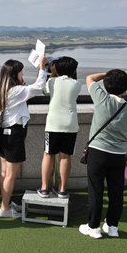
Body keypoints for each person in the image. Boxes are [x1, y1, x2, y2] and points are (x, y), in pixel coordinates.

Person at [79, 69, 127, 239]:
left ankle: (94, 227)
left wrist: (107, 74)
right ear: (126, 88)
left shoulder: (101, 99)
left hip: (98, 152)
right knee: (116, 191)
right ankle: (112, 226)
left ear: (107, 85)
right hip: (118, 154)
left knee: (96, 190)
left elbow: (89, 78)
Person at [0, 55, 48, 219]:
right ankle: (5, 208)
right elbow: (38, 87)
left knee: (4, 173)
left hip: (3, 135)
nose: (22, 75)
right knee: (10, 175)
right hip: (13, 137)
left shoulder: (2, 89)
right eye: (21, 73)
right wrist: (42, 68)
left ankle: (6, 202)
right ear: (14, 74)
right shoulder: (16, 91)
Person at [38, 56, 82, 198]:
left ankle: (45, 188)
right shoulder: (77, 84)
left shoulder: (52, 82)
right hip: (70, 124)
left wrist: (46, 70)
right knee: (65, 156)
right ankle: (62, 189)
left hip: (53, 124)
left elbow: (44, 91)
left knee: (48, 154)